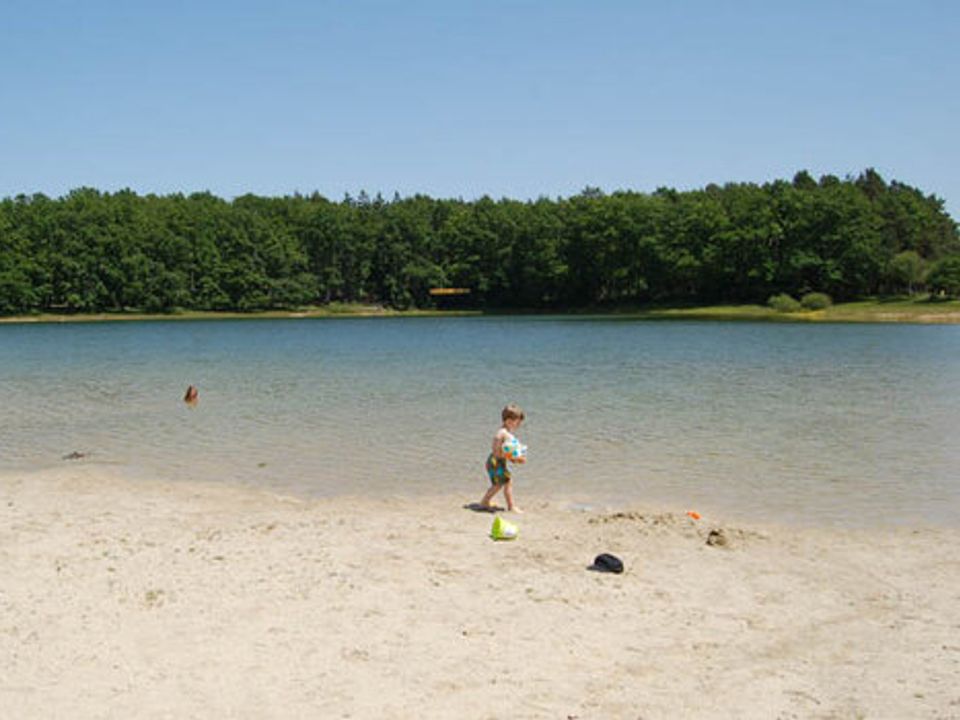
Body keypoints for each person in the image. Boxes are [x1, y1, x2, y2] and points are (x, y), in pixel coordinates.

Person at [478, 403, 526, 513]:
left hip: (497, 461)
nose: (519, 425)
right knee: (500, 484)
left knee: (502, 483)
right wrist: (513, 457)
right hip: (495, 462)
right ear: (508, 421)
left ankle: (487, 501)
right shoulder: (501, 433)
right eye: (517, 422)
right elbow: (497, 452)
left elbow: (506, 450)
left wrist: (515, 458)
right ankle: (509, 506)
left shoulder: (506, 433)